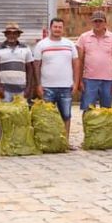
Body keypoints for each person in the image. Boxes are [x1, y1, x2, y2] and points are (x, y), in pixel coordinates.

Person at [34, 18, 80, 146]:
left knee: (66, 115)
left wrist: (76, 83)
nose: (57, 29)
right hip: (47, 87)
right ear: (50, 28)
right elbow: (36, 66)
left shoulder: (69, 44)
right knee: (47, 116)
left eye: (60, 27)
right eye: (55, 27)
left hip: (66, 87)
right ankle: (49, 142)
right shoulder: (42, 45)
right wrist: (38, 85)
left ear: (63, 29)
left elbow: (76, 64)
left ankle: (65, 142)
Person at [76, 11, 112, 110]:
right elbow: (79, 60)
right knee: (87, 109)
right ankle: (87, 126)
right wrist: (79, 81)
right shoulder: (83, 37)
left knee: (106, 110)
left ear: (105, 23)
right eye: (95, 21)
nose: (98, 24)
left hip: (108, 80)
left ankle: (105, 126)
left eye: (100, 21)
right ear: (92, 23)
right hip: (89, 79)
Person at [0, 22, 34, 102]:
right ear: (5, 35)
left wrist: (28, 88)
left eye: (14, 33)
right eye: (9, 33)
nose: (12, 35)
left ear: (18, 35)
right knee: (5, 113)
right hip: (5, 90)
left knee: (21, 114)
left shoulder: (26, 48)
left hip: (21, 90)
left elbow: (30, 69)